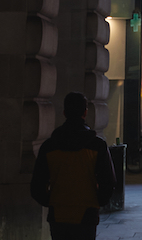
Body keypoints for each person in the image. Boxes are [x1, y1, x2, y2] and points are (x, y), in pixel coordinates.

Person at [30, 92, 116, 240]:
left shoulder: (49, 146)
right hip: (87, 212)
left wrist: (50, 200)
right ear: (85, 112)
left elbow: (37, 184)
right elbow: (108, 181)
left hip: (58, 212)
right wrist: (99, 201)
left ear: (64, 113)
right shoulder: (97, 145)